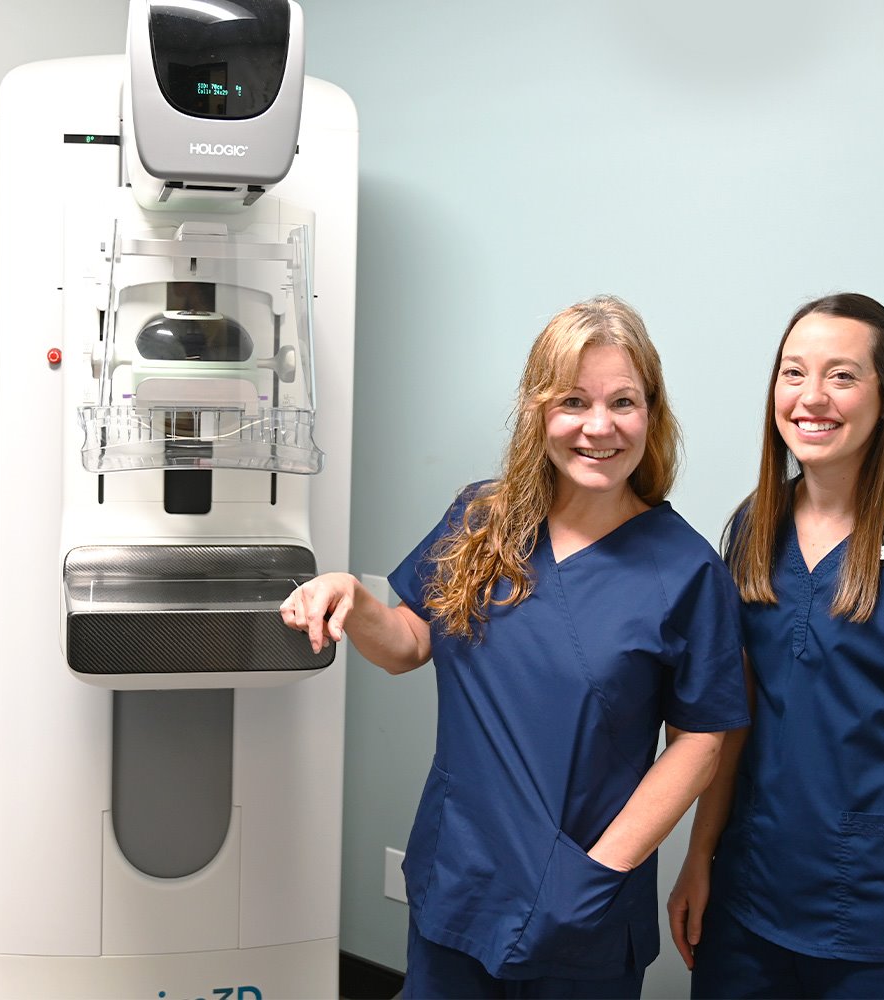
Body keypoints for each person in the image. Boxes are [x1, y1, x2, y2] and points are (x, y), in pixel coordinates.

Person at [281, 295, 749, 999]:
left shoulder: (685, 571)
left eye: (623, 402)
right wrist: (353, 594)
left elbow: (702, 739)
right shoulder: (484, 517)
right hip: (460, 875)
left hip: (583, 897)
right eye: (573, 401)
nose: (599, 427)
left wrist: (598, 873)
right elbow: (410, 643)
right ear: (538, 410)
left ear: (651, 413)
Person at [667, 292, 884, 1000]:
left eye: (842, 375)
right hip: (752, 898)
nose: (811, 397)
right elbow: (734, 721)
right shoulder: (756, 525)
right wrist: (699, 857)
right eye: (793, 373)